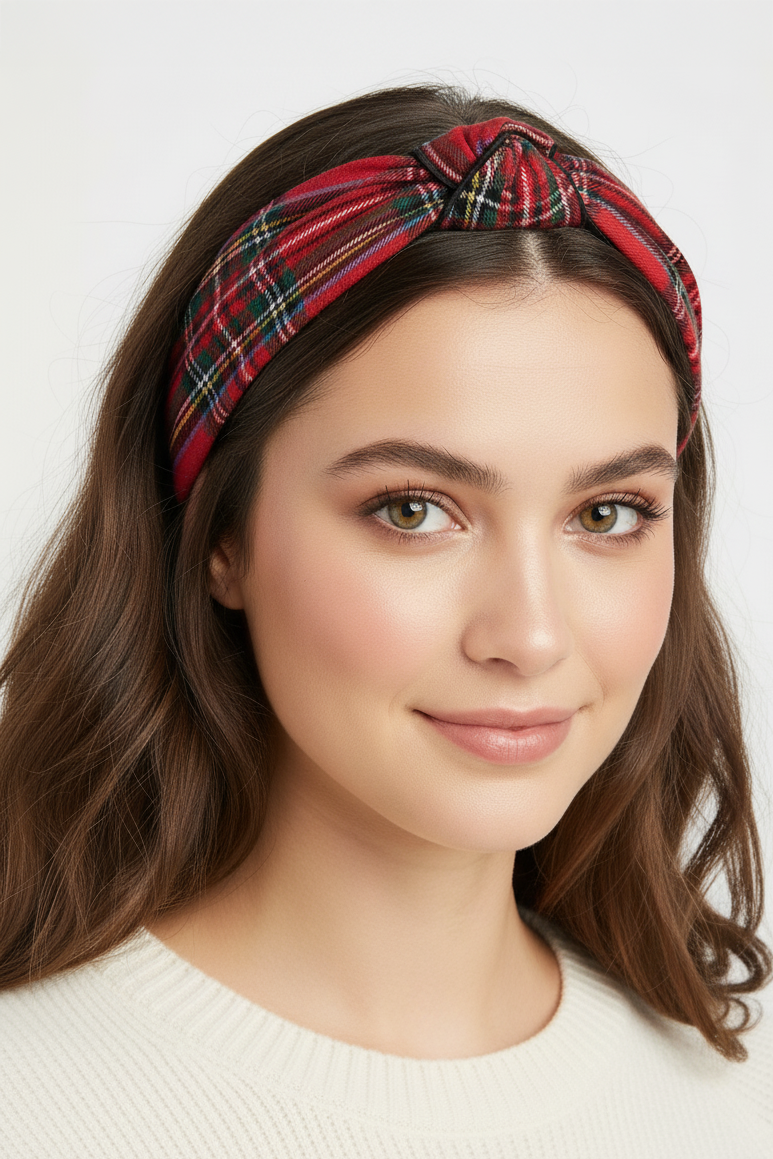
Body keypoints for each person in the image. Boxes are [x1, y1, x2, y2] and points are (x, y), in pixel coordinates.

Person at [0, 83, 770, 1157]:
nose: (529, 636)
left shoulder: (736, 1092)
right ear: (219, 537)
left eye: (606, 513)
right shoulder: (28, 1100)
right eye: (413, 510)